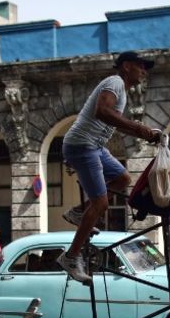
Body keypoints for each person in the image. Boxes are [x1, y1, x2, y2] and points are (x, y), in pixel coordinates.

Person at [56, 51, 160, 283]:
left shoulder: (121, 90)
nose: (144, 71)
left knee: (123, 179)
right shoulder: (114, 82)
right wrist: (137, 127)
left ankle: (78, 212)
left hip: (95, 146)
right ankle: (71, 257)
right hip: (83, 145)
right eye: (140, 66)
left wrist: (140, 132)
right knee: (101, 203)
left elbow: (111, 121)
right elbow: (102, 112)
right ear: (125, 66)